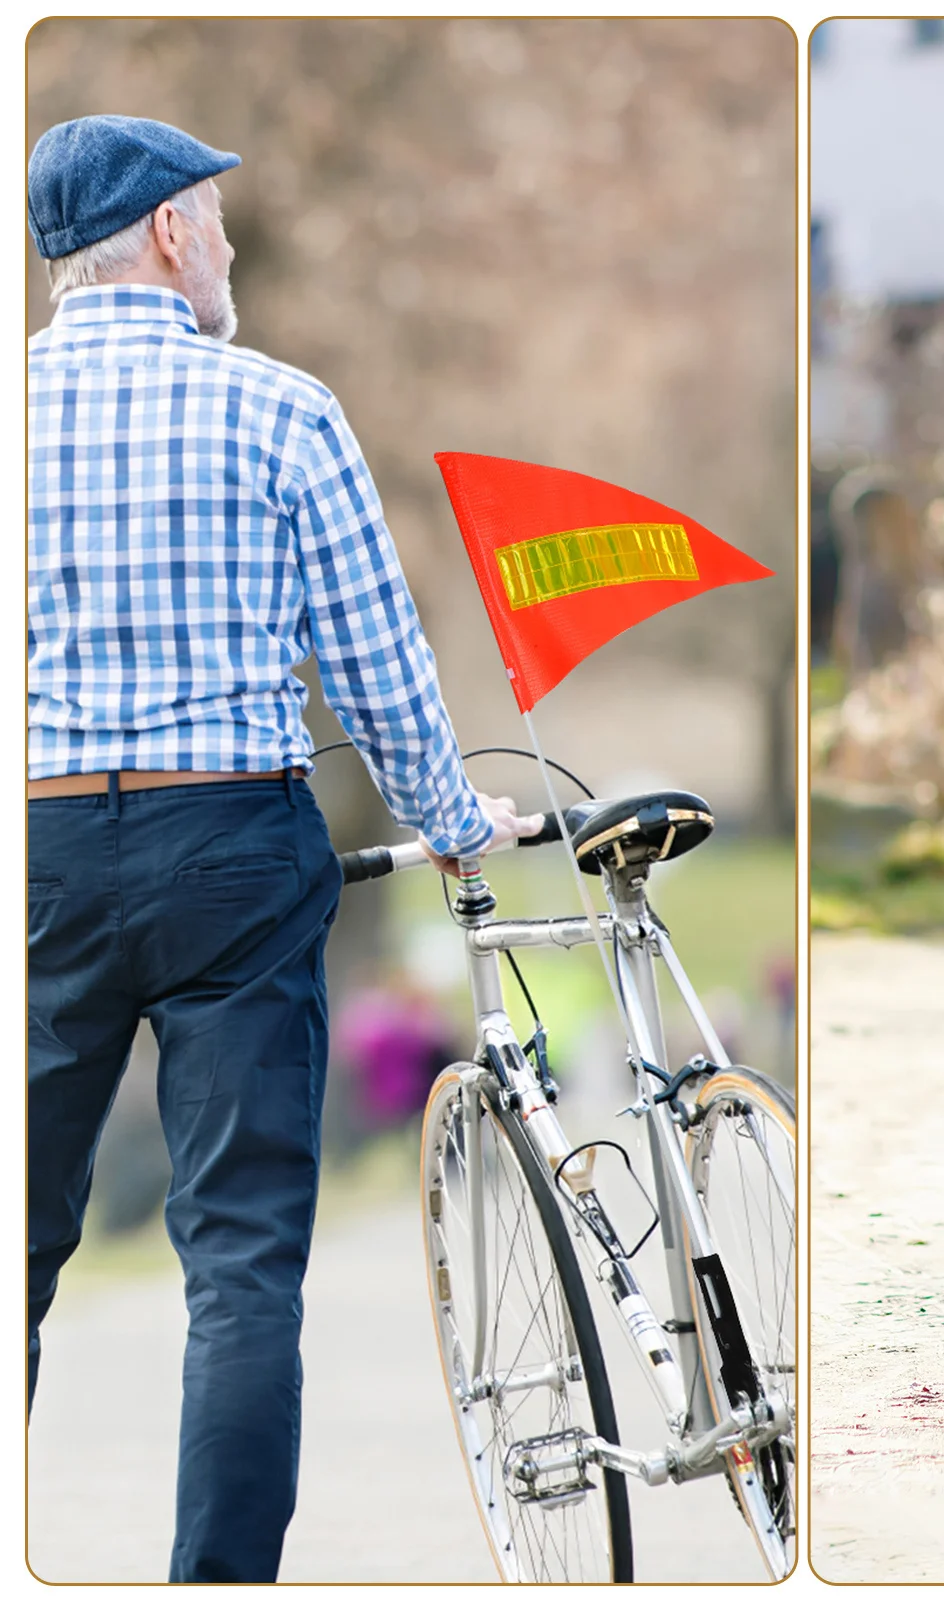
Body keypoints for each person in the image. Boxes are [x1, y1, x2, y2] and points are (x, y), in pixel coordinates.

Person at [27, 115, 525, 1581]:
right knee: (240, 1268)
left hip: (37, 851)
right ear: (172, 233)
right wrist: (451, 820)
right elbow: (377, 671)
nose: (232, 247)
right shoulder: (280, 411)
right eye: (222, 221)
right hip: (230, 843)